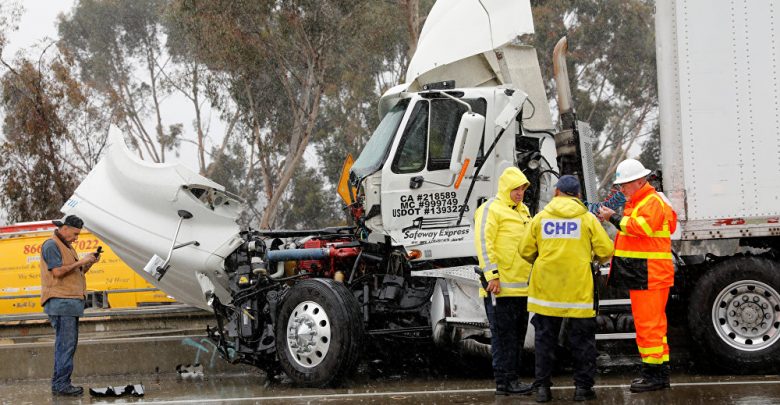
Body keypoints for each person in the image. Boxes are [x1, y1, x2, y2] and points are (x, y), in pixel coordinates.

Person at [520, 175, 614, 402]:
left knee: (544, 341)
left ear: (556, 192)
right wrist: (589, 257)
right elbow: (605, 251)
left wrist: (544, 259)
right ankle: (582, 389)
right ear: (578, 195)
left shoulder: (540, 218)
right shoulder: (587, 219)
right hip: (578, 292)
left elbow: (525, 251)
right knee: (582, 342)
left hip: (546, 292)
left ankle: (543, 389)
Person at [597, 158, 678, 392]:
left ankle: (653, 376)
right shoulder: (644, 202)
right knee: (654, 326)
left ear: (640, 181)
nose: (621, 189)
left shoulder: (650, 202)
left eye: (624, 184)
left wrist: (612, 217)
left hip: (649, 274)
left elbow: (640, 228)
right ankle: (659, 373)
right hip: (647, 274)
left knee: (648, 327)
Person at [473, 166, 534, 396]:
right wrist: (493, 276)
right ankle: (504, 383)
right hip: (500, 289)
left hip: (522, 289)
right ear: (506, 188)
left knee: (517, 339)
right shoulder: (491, 209)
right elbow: (484, 243)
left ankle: (513, 380)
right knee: (503, 338)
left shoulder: (524, 211)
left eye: (523, 189)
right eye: (516, 189)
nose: (520, 193)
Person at [40, 215, 99, 396]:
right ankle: (61, 385)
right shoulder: (51, 245)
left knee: (66, 345)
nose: (76, 238)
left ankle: (60, 383)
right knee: (66, 345)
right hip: (61, 302)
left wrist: (88, 263)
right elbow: (58, 272)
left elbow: (74, 273)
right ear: (64, 228)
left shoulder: (66, 246)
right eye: (75, 234)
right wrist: (81, 261)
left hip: (68, 303)